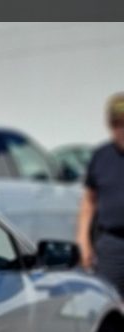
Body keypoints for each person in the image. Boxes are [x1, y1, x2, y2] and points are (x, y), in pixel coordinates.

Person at [78, 92, 124, 292]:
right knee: (107, 302)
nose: (121, 130)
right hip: (111, 245)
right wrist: (83, 241)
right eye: (116, 124)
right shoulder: (101, 156)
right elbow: (89, 202)